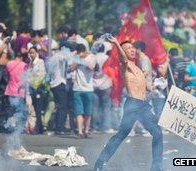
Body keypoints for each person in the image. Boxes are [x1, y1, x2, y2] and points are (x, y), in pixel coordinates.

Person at [94, 37, 163, 171]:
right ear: (123, 52)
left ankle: (157, 167)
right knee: (121, 135)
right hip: (133, 105)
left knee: (157, 133)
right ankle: (99, 163)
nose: (132, 50)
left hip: (143, 105)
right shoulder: (125, 66)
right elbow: (123, 59)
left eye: (132, 48)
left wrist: (158, 84)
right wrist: (116, 44)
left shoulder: (138, 69)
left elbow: (148, 87)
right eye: (128, 49)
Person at [70, 44, 96, 138]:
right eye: (78, 53)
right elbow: (71, 68)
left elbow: (92, 67)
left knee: (88, 112)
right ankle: (80, 131)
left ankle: (87, 130)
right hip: (77, 88)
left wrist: (83, 61)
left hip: (88, 89)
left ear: (85, 51)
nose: (80, 54)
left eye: (81, 53)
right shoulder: (76, 57)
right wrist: (77, 61)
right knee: (78, 112)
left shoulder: (92, 57)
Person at [4, 52, 28, 132]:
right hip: (20, 91)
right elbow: (25, 78)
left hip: (10, 90)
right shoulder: (24, 65)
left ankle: (11, 126)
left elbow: (7, 75)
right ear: (21, 57)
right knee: (20, 110)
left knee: (11, 110)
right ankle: (19, 128)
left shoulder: (8, 64)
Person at [92, 43, 113, 133]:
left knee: (94, 107)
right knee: (106, 106)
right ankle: (106, 126)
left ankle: (94, 126)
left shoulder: (92, 58)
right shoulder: (107, 58)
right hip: (105, 84)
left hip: (94, 84)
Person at [27, 46, 46, 134]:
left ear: (36, 53)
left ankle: (39, 128)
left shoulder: (40, 62)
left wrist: (35, 84)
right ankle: (37, 127)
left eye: (33, 52)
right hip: (32, 89)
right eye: (30, 53)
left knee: (38, 109)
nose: (32, 54)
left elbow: (42, 75)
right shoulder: (30, 63)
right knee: (34, 108)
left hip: (38, 89)